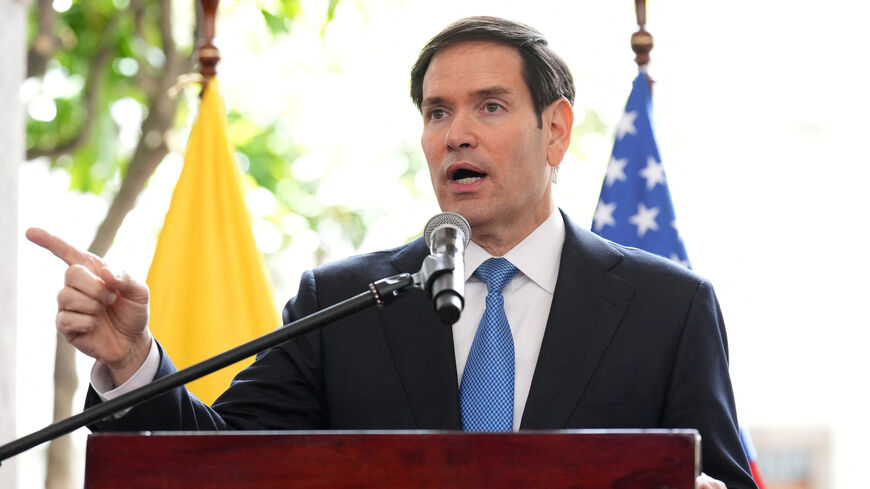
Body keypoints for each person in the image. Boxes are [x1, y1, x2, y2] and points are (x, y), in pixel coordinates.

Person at [27, 16, 755, 489]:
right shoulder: (342, 305)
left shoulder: (668, 308)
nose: (456, 134)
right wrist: (131, 359)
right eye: (438, 112)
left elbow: (720, 477)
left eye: (490, 106)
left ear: (556, 130)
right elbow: (216, 464)